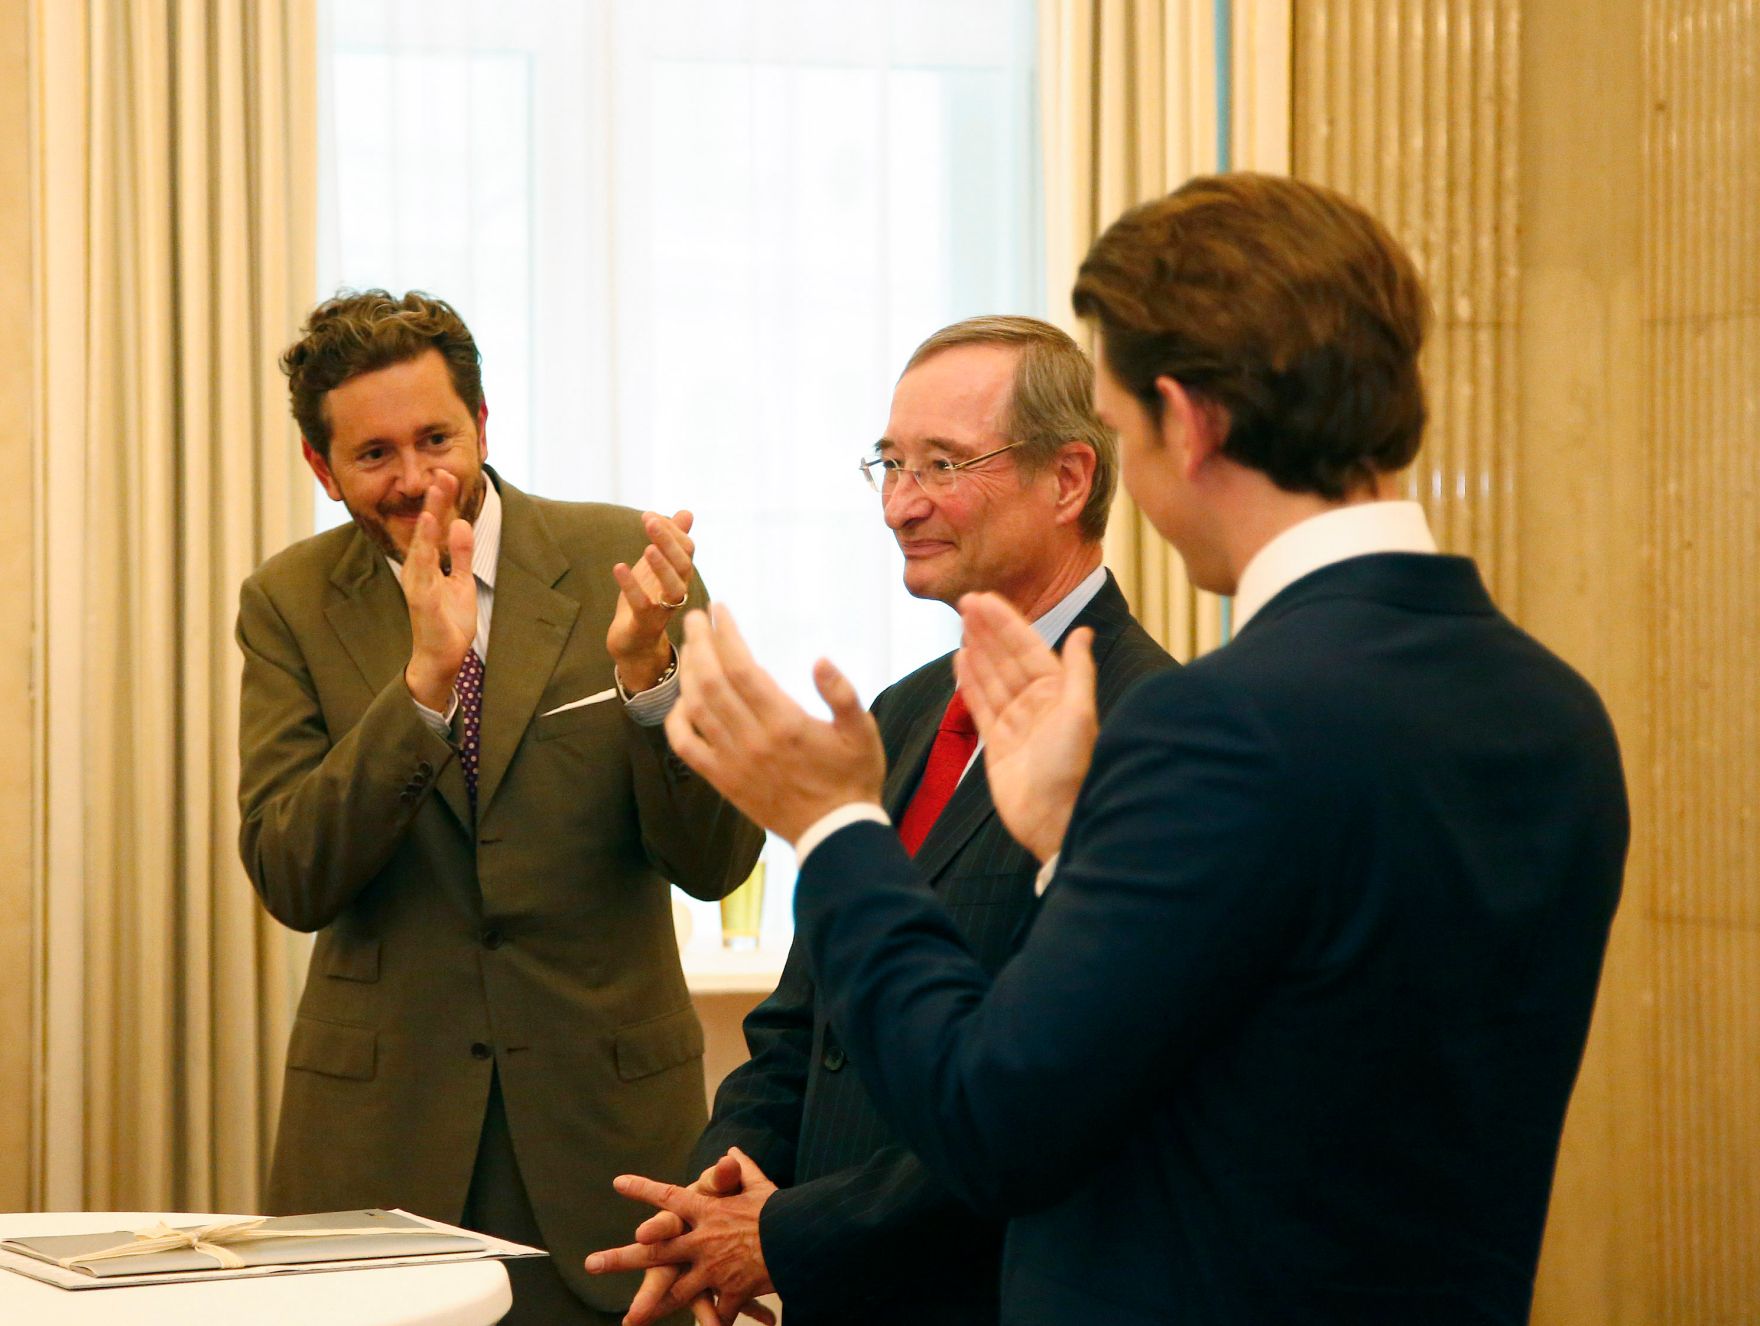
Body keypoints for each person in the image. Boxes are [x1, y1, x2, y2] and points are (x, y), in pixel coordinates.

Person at [610, 175, 1631, 1325]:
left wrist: (833, 824)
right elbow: (1295, 1055)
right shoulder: (1556, 712)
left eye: (1120, 423)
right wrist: (1067, 844)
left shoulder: (1217, 723)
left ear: (1184, 424)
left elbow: (999, 1123)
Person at [589, 316, 1172, 1326]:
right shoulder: (901, 712)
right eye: (890, 464)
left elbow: (1059, 1091)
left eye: (941, 464)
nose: (901, 504)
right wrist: (713, 1199)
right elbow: (800, 1024)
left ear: (1068, 480)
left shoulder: (1149, 724)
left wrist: (783, 1236)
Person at [236, 290, 764, 1325]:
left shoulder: (631, 568)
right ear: (320, 467)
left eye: (436, 438)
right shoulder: (287, 601)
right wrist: (423, 691)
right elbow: (292, 875)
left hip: (607, 1143)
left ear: (482, 422)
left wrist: (651, 683)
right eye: (373, 454)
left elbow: (715, 863)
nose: (414, 478)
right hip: (379, 1151)